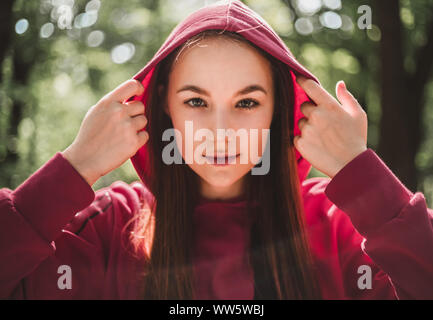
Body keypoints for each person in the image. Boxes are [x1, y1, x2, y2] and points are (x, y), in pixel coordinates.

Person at [1, 0, 432, 300]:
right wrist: (75, 167)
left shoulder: (342, 225)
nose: (220, 131)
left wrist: (362, 178)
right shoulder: (108, 225)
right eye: (196, 102)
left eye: (246, 102)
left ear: (279, 112)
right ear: (163, 108)